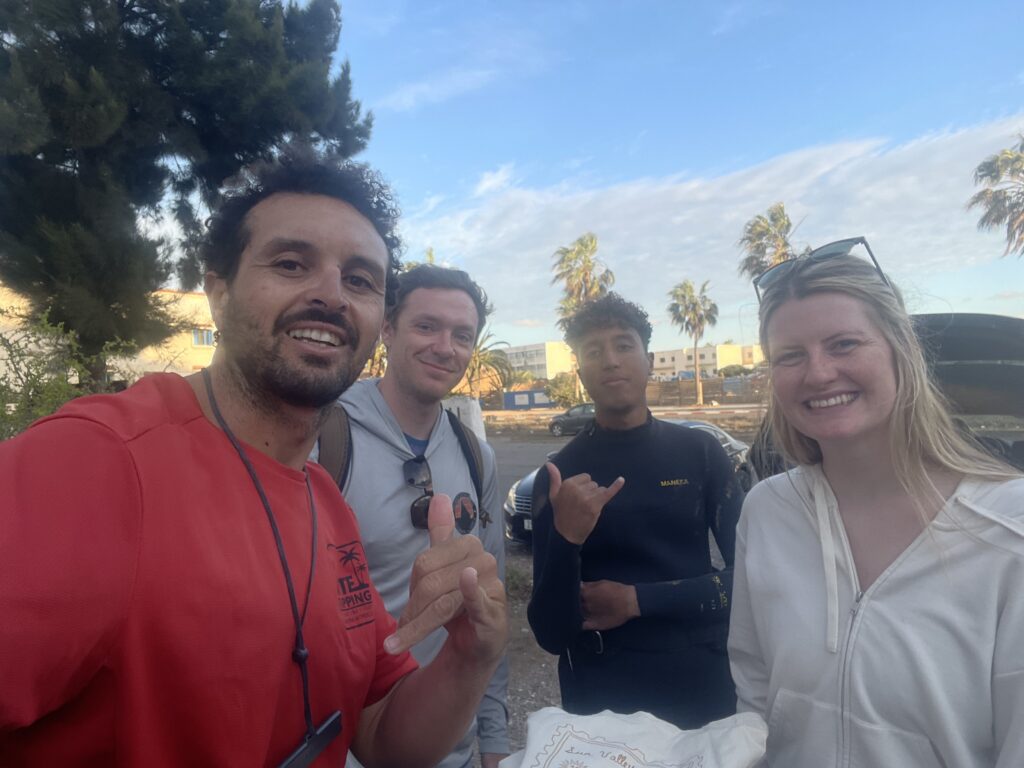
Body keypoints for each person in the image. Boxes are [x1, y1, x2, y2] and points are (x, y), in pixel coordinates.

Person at [0, 155, 508, 767]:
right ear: (217, 290)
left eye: (361, 280)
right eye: (291, 264)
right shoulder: (95, 462)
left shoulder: (325, 503)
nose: (330, 295)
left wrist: (468, 656)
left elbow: (382, 737)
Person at [727, 238, 1024, 767]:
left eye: (843, 344)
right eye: (790, 356)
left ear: (899, 348)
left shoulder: (1009, 530)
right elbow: (754, 694)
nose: (817, 373)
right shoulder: (767, 511)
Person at [320, 264, 510, 768]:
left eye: (462, 335)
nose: (445, 347)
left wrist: (492, 737)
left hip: (456, 745)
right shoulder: (324, 438)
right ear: (387, 329)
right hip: (353, 747)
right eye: (427, 327)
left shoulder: (475, 455)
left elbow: (492, 604)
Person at [527, 292, 743, 730]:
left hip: (700, 692)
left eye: (624, 345)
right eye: (593, 351)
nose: (610, 360)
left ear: (647, 359)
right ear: (581, 371)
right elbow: (550, 633)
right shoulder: (557, 474)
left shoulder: (700, 453)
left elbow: (753, 581)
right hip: (600, 701)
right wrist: (567, 539)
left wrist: (639, 601)